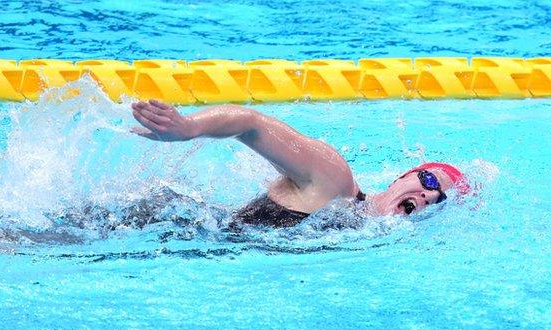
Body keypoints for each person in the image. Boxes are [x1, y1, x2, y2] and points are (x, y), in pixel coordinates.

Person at [131, 100, 470, 229]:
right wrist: (188, 128)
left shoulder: (358, 230)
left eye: (440, 199)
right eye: (428, 180)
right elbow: (251, 122)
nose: (430, 195)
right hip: (151, 225)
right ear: (402, 177)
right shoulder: (335, 181)